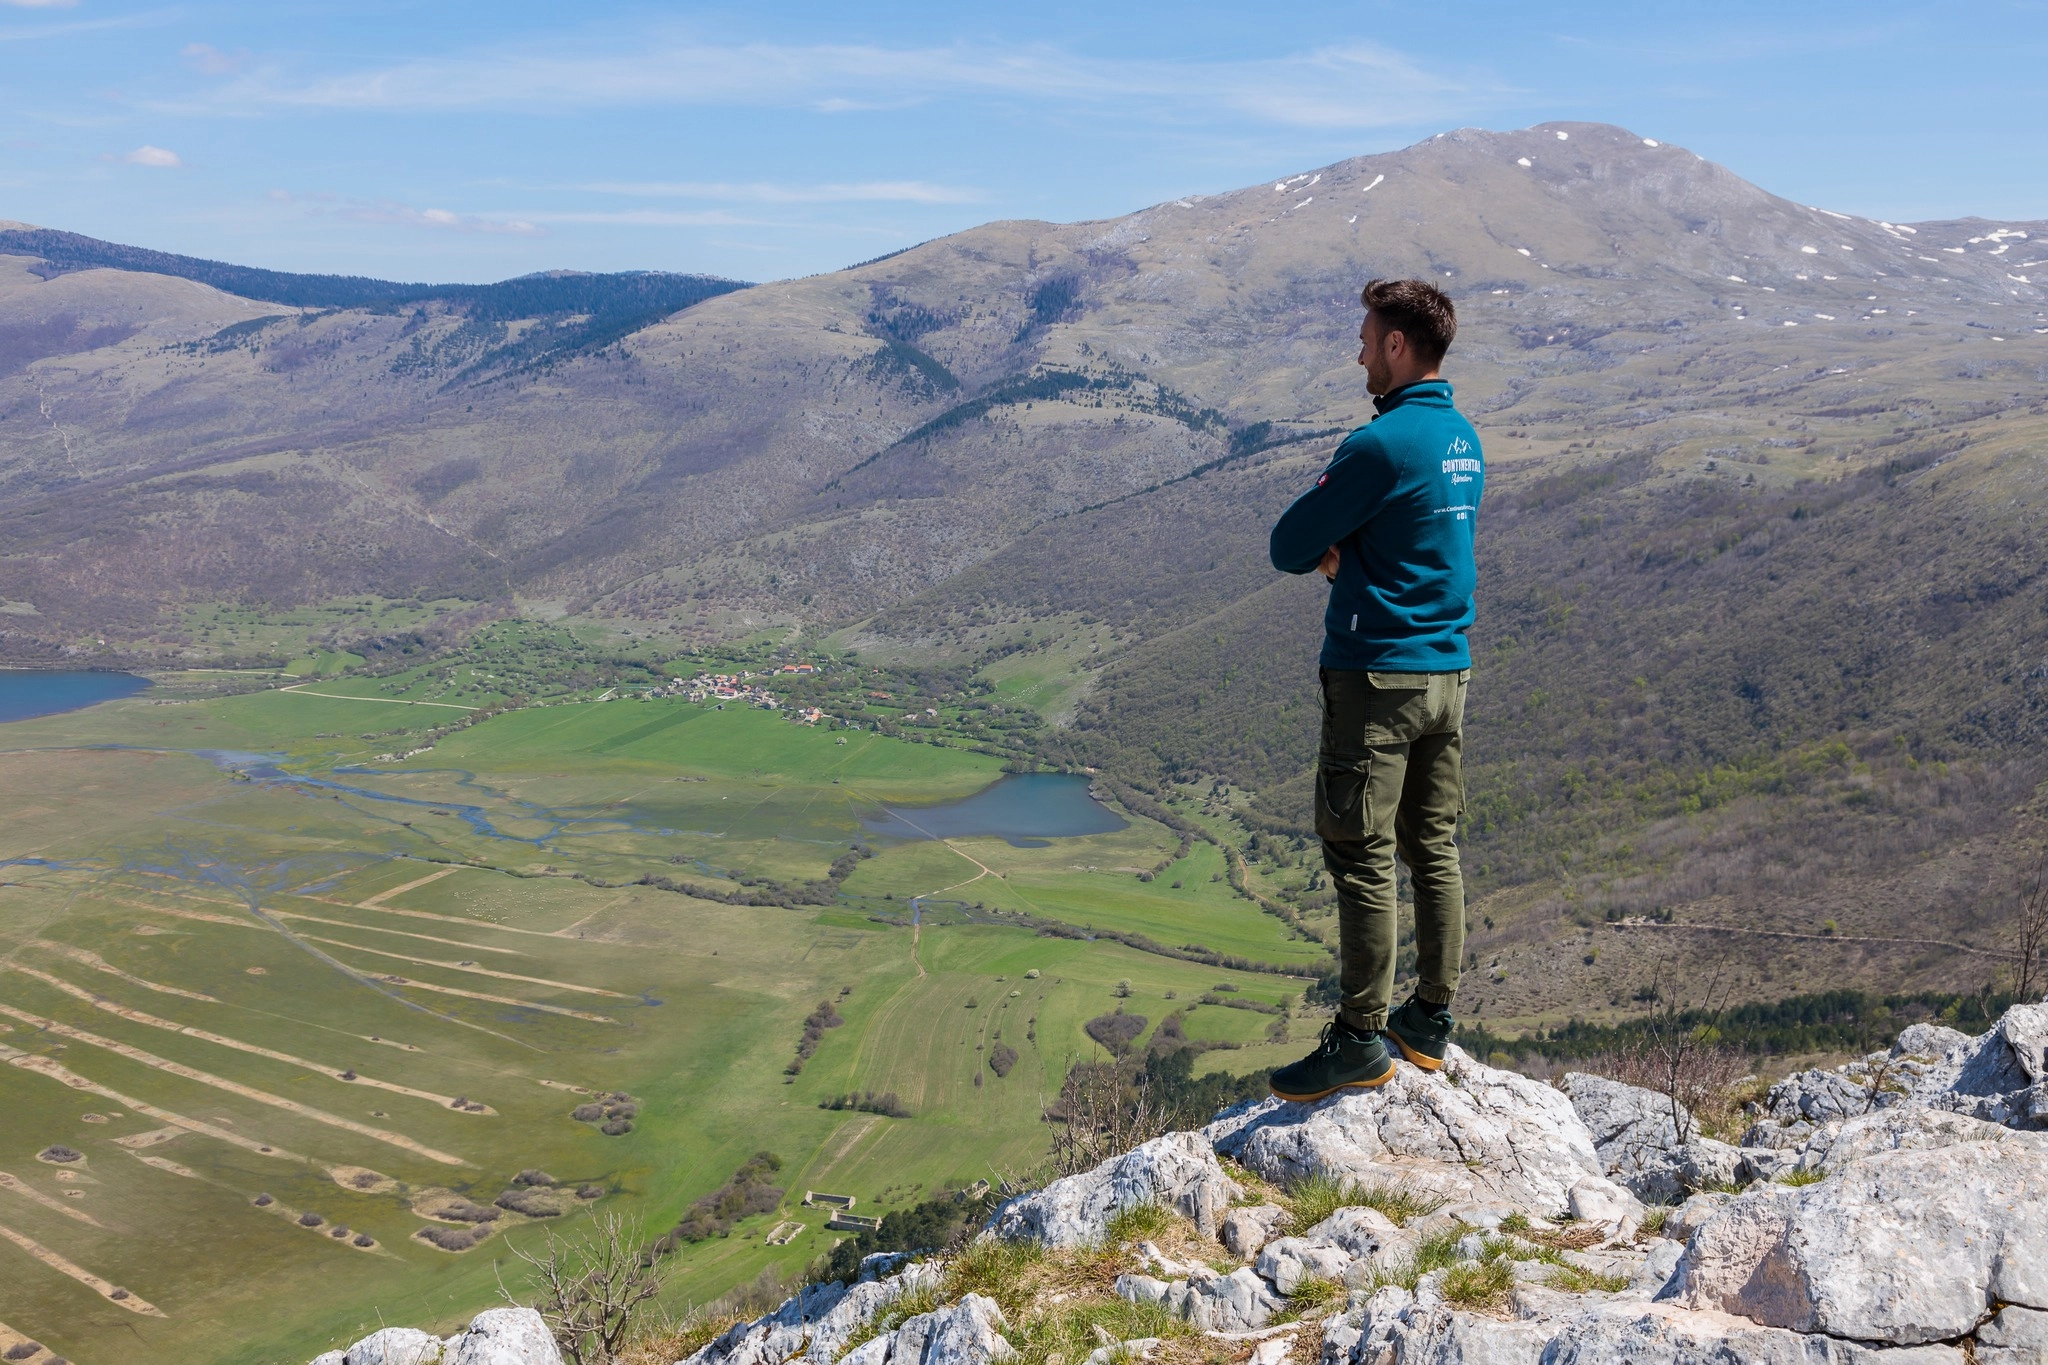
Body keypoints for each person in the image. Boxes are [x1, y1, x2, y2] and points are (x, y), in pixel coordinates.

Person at [1264, 278, 1483, 1101]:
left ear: (1398, 345)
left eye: (1366, 337)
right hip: (1447, 675)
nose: (1358, 351)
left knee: (1360, 854)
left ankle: (1358, 1037)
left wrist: (1338, 551)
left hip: (1377, 677)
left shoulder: (1379, 446)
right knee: (1434, 846)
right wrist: (1359, 548)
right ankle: (1427, 1019)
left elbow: (1289, 543)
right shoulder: (1464, 438)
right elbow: (1422, 544)